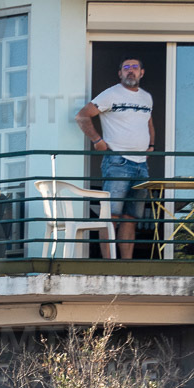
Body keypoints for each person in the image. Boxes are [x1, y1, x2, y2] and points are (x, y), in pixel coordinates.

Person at [75, 57, 154, 260]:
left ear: (141, 73)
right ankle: (109, 264)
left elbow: (148, 123)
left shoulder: (146, 98)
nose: (130, 71)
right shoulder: (111, 94)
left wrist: (151, 145)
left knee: (131, 218)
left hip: (141, 166)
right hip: (117, 162)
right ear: (120, 73)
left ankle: (125, 266)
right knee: (111, 216)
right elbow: (82, 115)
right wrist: (97, 140)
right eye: (125, 67)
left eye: (135, 67)